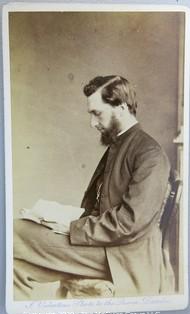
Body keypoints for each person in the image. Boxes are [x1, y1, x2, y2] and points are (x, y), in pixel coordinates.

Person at [14, 75, 175, 300]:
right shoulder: (120, 144)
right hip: (105, 245)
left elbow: (129, 224)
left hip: (123, 256)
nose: (92, 123)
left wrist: (72, 227)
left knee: (15, 233)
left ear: (121, 107)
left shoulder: (150, 154)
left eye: (97, 113)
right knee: (14, 265)